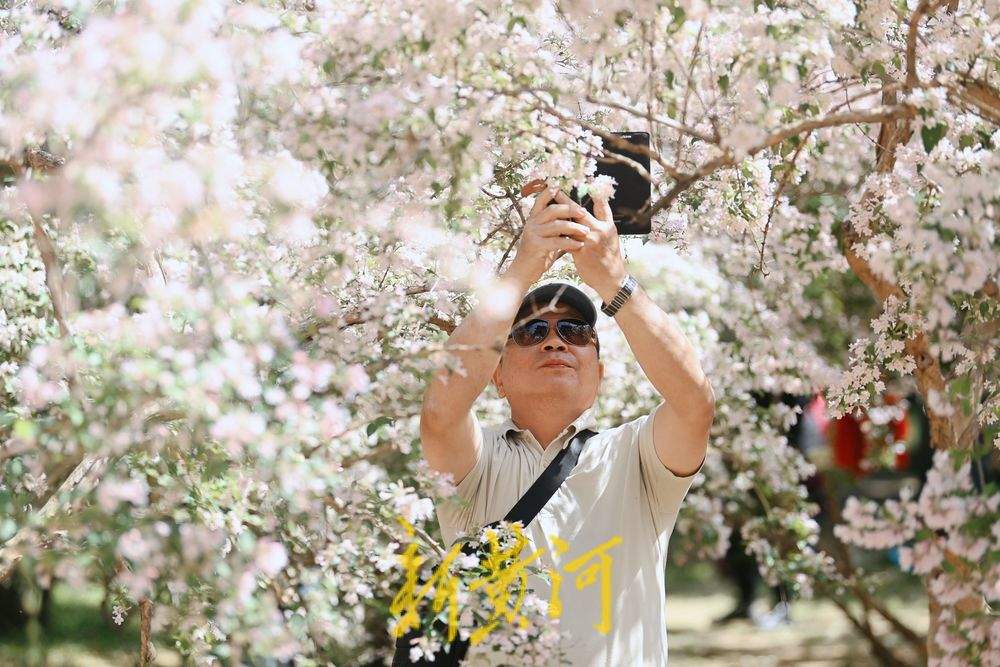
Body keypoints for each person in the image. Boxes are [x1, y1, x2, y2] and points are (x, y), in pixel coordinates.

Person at [418, 179, 716, 665]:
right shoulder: (475, 464)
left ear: (598, 372)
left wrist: (614, 282)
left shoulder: (636, 458)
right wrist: (526, 264)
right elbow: (439, 414)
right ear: (497, 372)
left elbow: (695, 404)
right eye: (532, 330)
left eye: (575, 331)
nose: (554, 342)